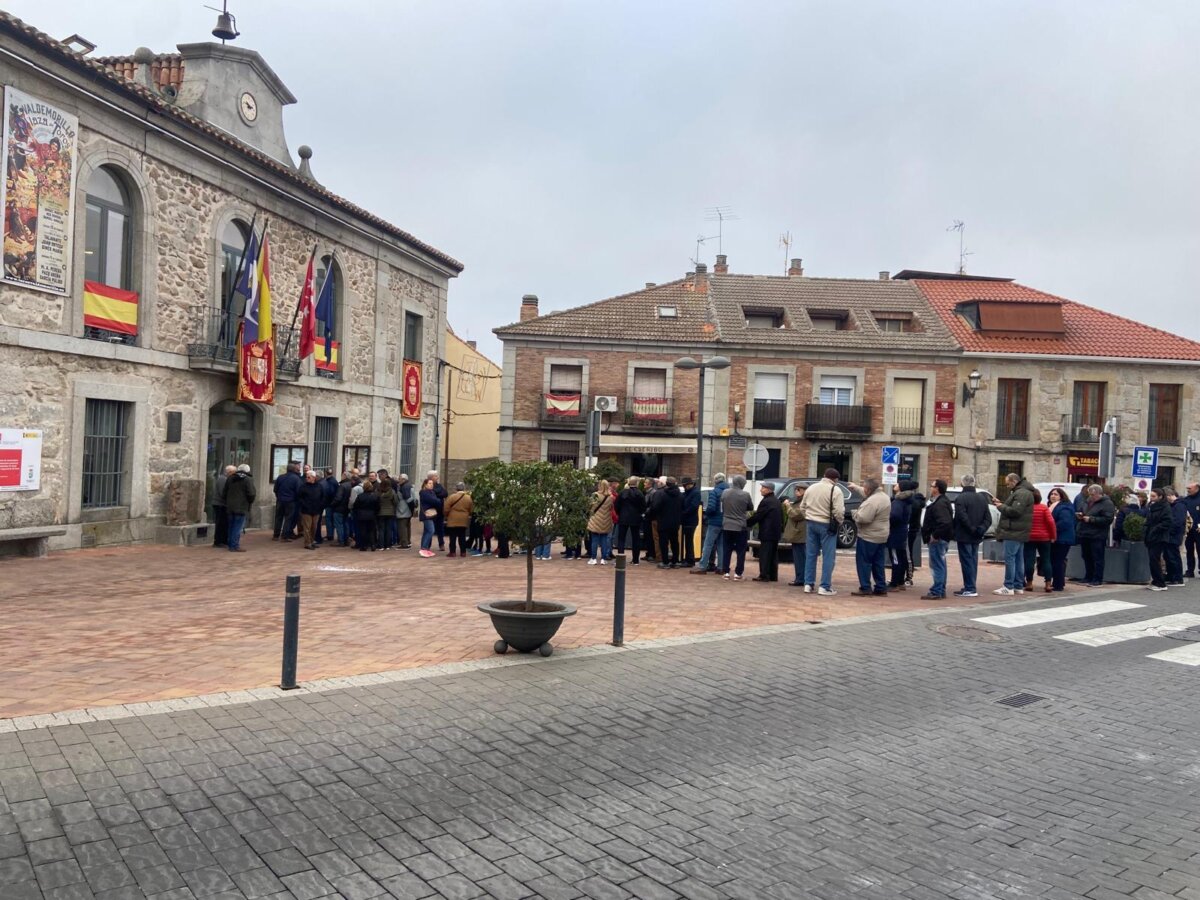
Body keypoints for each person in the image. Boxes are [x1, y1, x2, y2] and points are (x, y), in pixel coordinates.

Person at [799, 468, 845, 596]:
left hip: (811, 522)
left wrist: (808, 516)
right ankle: (824, 586)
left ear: (824, 476)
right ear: (836, 479)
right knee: (828, 557)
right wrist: (839, 522)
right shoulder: (836, 490)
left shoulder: (811, 488)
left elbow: (802, 507)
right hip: (826, 524)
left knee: (811, 555)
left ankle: (808, 584)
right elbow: (839, 511)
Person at [993, 472, 1035, 595]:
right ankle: (1017, 585)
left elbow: (1016, 511)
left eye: (1008, 484)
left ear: (1014, 481)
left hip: (1013, 531)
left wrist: (1001, 507)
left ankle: (1008, 586)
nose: (1007, 486)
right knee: (1018, 559)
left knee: (1010, 559)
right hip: (1019, 531)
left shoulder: (1021, 493)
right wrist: (1001, 503)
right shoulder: (1024, 492)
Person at [850, 478, 890, 596]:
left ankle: (865, 587)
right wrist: (855, 487)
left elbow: (863, 518)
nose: (863, 490)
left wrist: (854, 513)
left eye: (864, 488)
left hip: (868, 536)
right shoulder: (884, 497)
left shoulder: (872, 501)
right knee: (878, 563)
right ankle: (881, 587)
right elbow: (866, 492)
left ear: (868, 489)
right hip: (881, 535)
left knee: (864, 563)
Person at [951, 474, 989, 598]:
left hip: (965, 534)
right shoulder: (982, 498)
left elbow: (961, 516)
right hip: (976, 534)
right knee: (972, 560)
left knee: (967, 561)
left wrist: (972, 529)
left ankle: (970, 587)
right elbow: (988, 518)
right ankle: (970, 585)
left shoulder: (961, 498)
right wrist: (980, 529)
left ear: (962, 483)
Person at [1075, 483, 1115, 586]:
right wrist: (1080, 515)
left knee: (1097, 558)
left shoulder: (1107, 503)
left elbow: (1108, 519)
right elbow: (1082, 510)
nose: (1091, 497)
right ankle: (1088, 576)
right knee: (1086, 556)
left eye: (1093, 495)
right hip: (1085, 533)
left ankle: (1097, 578)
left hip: (1097, 535)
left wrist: (1092, 519)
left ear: (1099, 493)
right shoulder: (1088, 501)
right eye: (1090, 494)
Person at [920, 479, 954, 600]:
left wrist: (935, 535)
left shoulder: (940, 504)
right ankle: (940, 589)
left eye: (932, 486)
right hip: (941, 538)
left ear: (937, 488)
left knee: (937, 565)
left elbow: (945, 522)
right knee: (940, 564)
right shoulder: (941, 501)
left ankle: (937, 590)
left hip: (938, 539)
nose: (930, 488)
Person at [747, 482, 783, 582]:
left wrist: (747, 523)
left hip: (767, 532)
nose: (761, 490)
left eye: (763, 488)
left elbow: (759, 515)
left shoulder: (766, 501)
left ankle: (764, 575)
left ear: (769, 489)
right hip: (775, 532)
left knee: (765, 554)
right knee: (773, 554)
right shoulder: (776, 501)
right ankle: (773, 575)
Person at [719, 475, 753, 581]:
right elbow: (750, 507)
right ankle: (738, 573)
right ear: (741, 484)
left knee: (726, 549)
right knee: (741, 551)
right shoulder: (745, 495)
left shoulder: (725, 492)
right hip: (740, 526)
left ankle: (726, 572)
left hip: (727, 525)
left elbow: (722, 506)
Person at [1024, 489, 1056, 592]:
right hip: (1044, 537)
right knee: (1046, 560)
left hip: (1029, 537)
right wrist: (1053, 536)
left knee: (1029, 560)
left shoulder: (1026, 509)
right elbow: (1051, 522)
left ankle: (1029, 583)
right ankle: (1048, 584)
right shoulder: (1044, 508)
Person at [694, 473, 727, 574]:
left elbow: (711, 507)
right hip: (725, 522)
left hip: (714, 522)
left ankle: (702, 566)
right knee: (721, 545)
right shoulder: (728, 491)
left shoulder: (715, 492)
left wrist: (707, 515)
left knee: (708, 544)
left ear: (716, 481)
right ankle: (721, 567)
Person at [1047, 487, 1076, 592]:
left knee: (1057, 561)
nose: (1053, 496)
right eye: (1051, 494)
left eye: (1056, 494)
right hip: (1057, 538)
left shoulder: (1064, 507)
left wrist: (1052, 529)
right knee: (1056, 561)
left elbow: (1065, 522)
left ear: (1061, 496)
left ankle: (1058, 584)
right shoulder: (1052, 506)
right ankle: (1059, 582)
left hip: (1062, 539)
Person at [887, 483, 914, 591]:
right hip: (902, 531)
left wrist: (889, 523)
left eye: (898, 484)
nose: (895, 484)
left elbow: (895, 516)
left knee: (895, 558)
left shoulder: (898, 501)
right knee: (901, 556)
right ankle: (900, 581)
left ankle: (894, 583)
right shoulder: (907, 501)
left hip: (895, 532)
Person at [1144, 488, 1172, 591]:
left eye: (1154, 496)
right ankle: (1156, 581)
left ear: (1160, 497)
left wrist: (1155, 529)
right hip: (1151, 536)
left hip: (1159, 537)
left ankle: (1161, 583)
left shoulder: (1165, 507)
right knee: (1152, 559)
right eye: (1151, 496)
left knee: (1154, 559)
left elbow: (1167, 522)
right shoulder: (1151, 506)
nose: (1151, 498)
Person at [224, 464, 256, 552]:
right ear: (247, 471)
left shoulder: (230, 478)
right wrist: (250, 501)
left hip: (230, 506)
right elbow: (251, 493)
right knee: (237, 527)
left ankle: (230, 543)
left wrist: (227, 501)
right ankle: (234, 545)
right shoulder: (247, 479)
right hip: (242, 506)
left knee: (231, 526)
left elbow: (225, 492)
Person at [615, 476, 646, 565]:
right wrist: (640, 513)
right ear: (637, 483)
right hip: (635, 518)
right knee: (636, 539)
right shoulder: (640, 493)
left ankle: (620, 559)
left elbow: (616, 505)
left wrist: (620, 513)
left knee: (621, 539)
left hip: (623, 517)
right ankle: (635, 560)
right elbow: (643, 506)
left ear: (629, 483)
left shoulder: (623, 492)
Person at [652, 477, 683, 568]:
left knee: (663, 542)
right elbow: (683, 507)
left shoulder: (662, 494)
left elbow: (655, 507)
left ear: (667, 484)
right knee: (675, 542)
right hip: (675, 522)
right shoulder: (680, 495)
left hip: (663, 521)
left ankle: (665, 562)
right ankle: (675, 561)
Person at [783, 485, 808, 587]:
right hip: (798, 533)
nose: (796, 492)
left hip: (800, 534)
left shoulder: (804, 502)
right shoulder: (799, 501)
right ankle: (800, 577)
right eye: (796, 490)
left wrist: (787, 505)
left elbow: (795, 515)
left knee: (800, 557)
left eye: (799, 490)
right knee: (798, 557)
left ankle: (801, 578)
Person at [587, 480, 615, 566]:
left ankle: (593, 558)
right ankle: (603, 558)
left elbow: (589, 505)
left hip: (595, 519)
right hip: (606, 520)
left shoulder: (595, 495)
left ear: (600, 486)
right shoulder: (610, 497)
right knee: (604, 540)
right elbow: (611, 508)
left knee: (594, 540)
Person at [272, 460, 302, 541]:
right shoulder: (296, 479)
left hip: (280, 500)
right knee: (288, 518)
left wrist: (279, 496)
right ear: (294, 469)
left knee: (278, 518)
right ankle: (285, 536)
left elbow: (275, 489)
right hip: (290, 501)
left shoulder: (280, 477)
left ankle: (276, 535)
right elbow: (298, 491)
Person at [297, 470, 325, 550]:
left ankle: (312, 541)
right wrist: (304, 505)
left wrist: (320, 505)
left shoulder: (319, 486)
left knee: (314, 527)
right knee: (307, 528)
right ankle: (307, 543)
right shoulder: (303, 487)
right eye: (306, 477)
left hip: (316, 510)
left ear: (314, 478)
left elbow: (323, 497)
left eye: (309, 477)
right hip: (306, 511)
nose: (307, 478)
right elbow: (299, 497)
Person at [444, 482, 473, 558]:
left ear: (456, 488)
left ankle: (452, 552)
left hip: (452, 519)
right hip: (463, 519)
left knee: (452, 537)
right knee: (462, 536)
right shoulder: (468, 498)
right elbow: (471, 509)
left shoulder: (452, 497)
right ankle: (463, 552)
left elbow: (446, 508)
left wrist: (446, 515)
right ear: (464, 488)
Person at [1164, 486, 1186, 586]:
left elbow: (1178, 522)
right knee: (1168, 557)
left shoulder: (1179, 506)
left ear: (1169, 496)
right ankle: (1171, 576)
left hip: (1174, 536)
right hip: (1170, 535)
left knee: (1174, 557)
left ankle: (1177, 578)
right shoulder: (1173, 505)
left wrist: (1169, 531)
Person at [906, 481, 926, 584]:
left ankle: (909, 577)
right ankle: (906, 577)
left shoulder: (913, 502)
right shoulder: (915, 501)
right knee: (907, 553)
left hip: (910, 530)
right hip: (912, 529)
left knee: (908, 553)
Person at [353, 480, 380, 551]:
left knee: (363, 531)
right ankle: (373, 545)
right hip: (372, 515)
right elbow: (378, 506)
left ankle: (363, 546)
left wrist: (358, 512)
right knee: (371, 531)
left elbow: (355, 506)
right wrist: (375, 513)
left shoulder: (360, 496)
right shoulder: (375, 496)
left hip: (362, 515)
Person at [680, 477, 701, 568]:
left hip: (691, 520)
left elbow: (693, 506)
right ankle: (688, 559)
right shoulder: (688, 492)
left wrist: (683, 513)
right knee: (688, 540)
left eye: (685, 485)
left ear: (689, 484)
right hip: (686, 520)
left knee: (689, 540)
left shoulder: (695, 493)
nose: (684, 487)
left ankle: (690, 560)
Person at [212, 465, 235, 548]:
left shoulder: (226, 479)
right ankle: (218, 541)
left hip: (223, 504)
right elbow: (223, 493)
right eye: (233, 472)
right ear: (229, 472)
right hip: (220, 504)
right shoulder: (223, 479)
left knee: (225, 523)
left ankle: (224, 540)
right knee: (220, 523)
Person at [418, 477, 441, 558]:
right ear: (425, 484)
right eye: (429, 483)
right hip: (426, 514)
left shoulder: (431, 492)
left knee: (426, 531)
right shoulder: (424, 492)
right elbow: (435, 501)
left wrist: (437, 501)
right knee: (431, 530)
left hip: (431, 514)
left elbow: (438, 499)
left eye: (432, 483)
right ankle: (424, 548)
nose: (431, 485)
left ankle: (426, 548)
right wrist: (437, 501)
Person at [1182, 482, 1200, 578]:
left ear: (1197, 488)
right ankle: (1190, 570)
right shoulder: (1186, 500)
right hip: (1189, 530)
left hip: (1198, 529)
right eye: (1187, 488)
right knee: (1189, 550)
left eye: (1190, 488)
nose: (1188, 490)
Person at [331, 471, 353, 547]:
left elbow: (338, 498)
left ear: (345, 476)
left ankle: (341, 541)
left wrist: (332, 504)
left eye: (342, 475)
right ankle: (346, 540)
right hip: (347, 508)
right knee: (345, 524)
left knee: (339, 525)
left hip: (339, 508)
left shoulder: (342, 486)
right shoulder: (350, 485)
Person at [429, 470, 449, 552]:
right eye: (436, 476)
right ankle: (428, 545)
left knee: (440, 528)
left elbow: (445, 493)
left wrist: (437, 494)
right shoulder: (428, 485)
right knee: (430, 529)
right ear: (431, 477)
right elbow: (430, 494)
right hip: (431, 510)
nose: (437, 477)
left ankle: (441, 544)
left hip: (440, 511)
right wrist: (438, 494)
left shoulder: (439, 485)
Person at [376, 476, 398, 550]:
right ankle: (387, 545)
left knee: (381, 529)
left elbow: (376, 500)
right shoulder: (392, 491)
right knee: (388, 529)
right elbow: (395, 501)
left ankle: (381, 545)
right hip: (390, 512)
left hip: (381, 512)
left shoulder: (378, 491)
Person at [396, 474, 416, 549]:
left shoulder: (404, 487)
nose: (398, 480)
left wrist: (411, 509)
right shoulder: (409, 485)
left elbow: (408, 499)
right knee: (407, 526)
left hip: (403, 510)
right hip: (407, 510)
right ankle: (408, 542)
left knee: (402, 527)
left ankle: (404, 544)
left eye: (399, 479)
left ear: (403, 479)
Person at [319, 468, 338, 545]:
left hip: (329, 503)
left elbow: (330, 492)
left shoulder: (329, 481)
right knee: (330, 519)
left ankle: (330, 535)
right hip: (333, 503)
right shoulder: (334, 481)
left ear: (325, 473)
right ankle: (330, 534)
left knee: (329, 519)